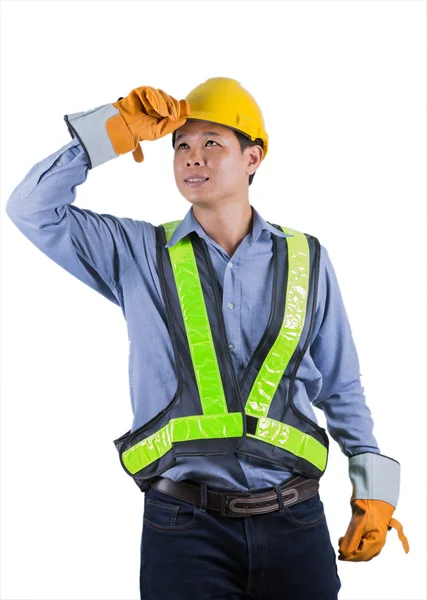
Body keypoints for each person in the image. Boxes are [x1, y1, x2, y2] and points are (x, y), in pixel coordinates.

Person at [6, 77, 409, 600]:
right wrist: (113, 131)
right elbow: (31, 209)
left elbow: (340, 382)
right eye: (181, 146)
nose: (192, 157)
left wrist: (373, 493)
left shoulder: (307, 257)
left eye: (211, 143)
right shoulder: (137, 254)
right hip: (184, 525)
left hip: (297, 520)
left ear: (253, 158)